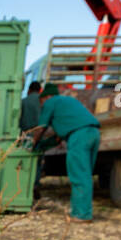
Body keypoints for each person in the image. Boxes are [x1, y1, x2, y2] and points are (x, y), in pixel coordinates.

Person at [28, 83, 100, 222]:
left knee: (78, 175)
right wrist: (47, 144)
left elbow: (41, 128)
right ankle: (83, 211)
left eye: (41, 101)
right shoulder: (68, 101)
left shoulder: (50, 102)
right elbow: (58, 137)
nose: (42, 105)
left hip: (79, 136)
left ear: (47, 97)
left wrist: (33, 143)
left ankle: (81, 215)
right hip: (94, 133)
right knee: (85, 175)